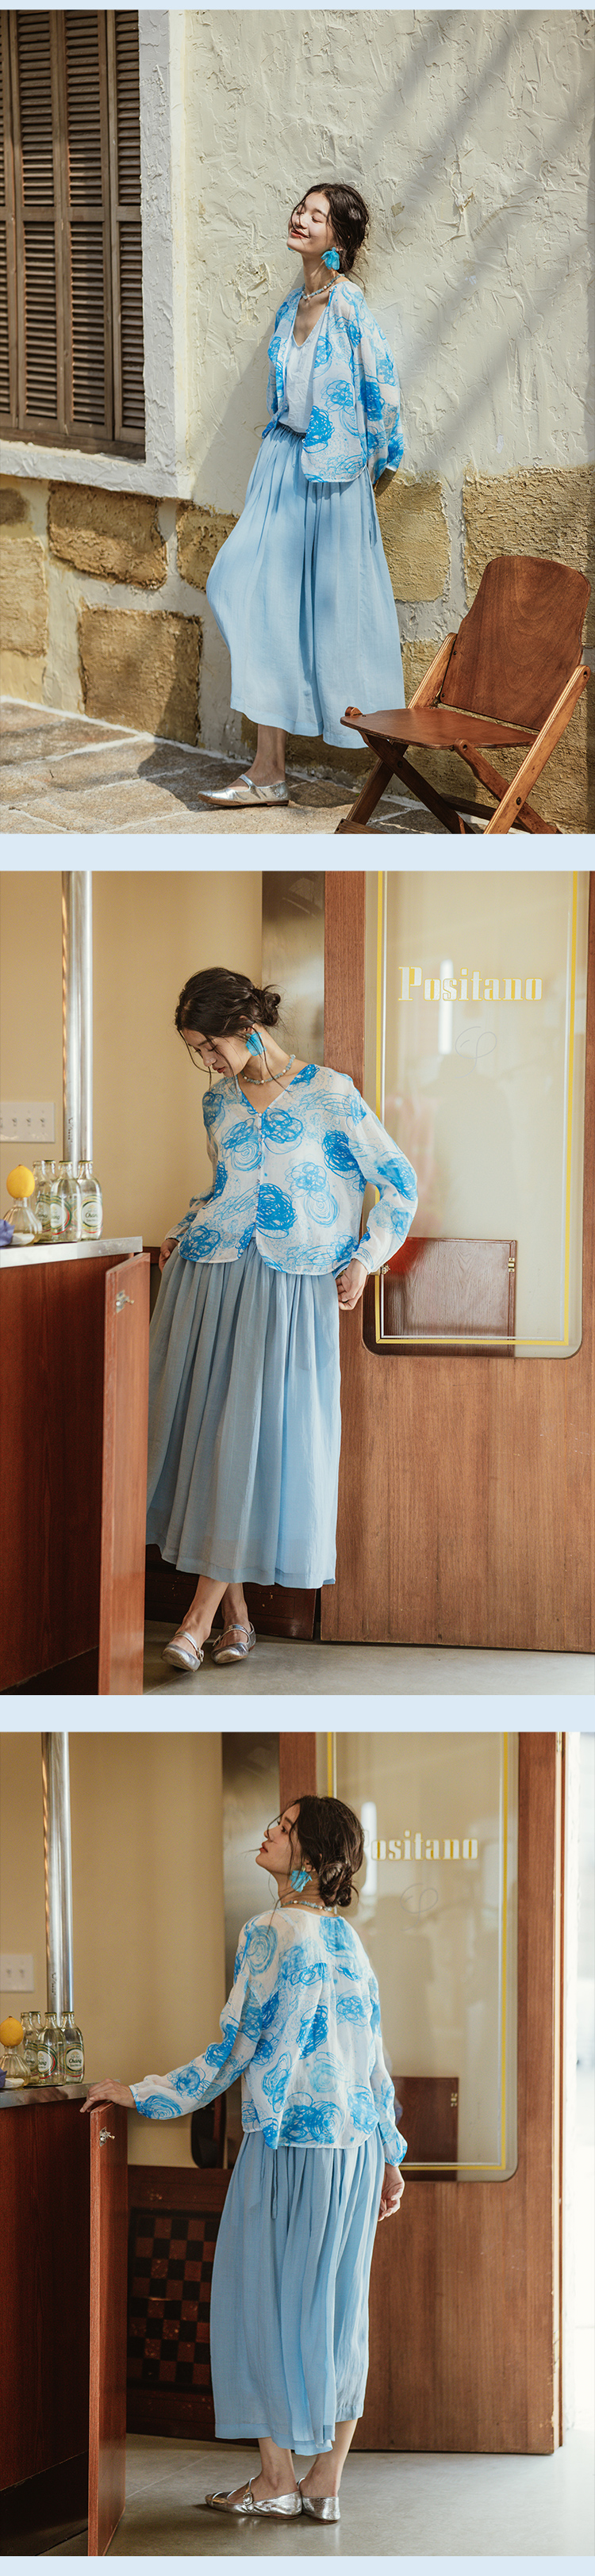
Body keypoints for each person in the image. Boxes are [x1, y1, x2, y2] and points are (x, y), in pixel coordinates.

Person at [83, 1793, 406, 2520]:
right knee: (338, 2313)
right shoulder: (349, 1940)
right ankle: (325, 2484)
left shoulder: (268, 1930)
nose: (268, 1832)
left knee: (255, 2303)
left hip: (288, 2143)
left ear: (311, 1856)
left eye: (284, 1828)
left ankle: (275, 2478)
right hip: (354, 2150)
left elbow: (232, 2048)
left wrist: (142, 2092)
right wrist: (391, 2155)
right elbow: (373, 2059)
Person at [145, 965, 417, 1671]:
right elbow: (221, 1187)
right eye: (197, 1051)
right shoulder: (217, 1104)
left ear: (246, 1027)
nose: (207, 1062)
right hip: (208, 1277)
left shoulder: (330, 1094)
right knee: (215, 1445)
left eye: (211, 1046)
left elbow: (399, 1182)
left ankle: (195, 1621)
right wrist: (179, 1229)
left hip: (291, 1288)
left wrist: (366, 1258)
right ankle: (235, 1619)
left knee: (252, 1443)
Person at [199, 181, 405, 808]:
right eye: (301, 209)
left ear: (338, 237)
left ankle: (277, 772)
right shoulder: (293, 306)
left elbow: (382, 389)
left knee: (333, 618)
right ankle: (269, 769)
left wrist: (374, 466)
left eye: (317, 215)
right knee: (243, 587)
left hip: (333, 476)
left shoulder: (348, 305)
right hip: (282, 466)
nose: (301, 218)